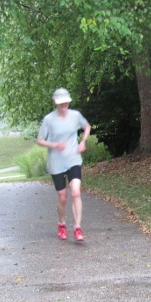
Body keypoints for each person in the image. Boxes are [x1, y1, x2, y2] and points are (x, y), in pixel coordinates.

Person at [36, 87, 91, 241]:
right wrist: (54, 145)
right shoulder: (49, 119)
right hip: (56, 162)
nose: (64, 104)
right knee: (63, 197)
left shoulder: (75, 115)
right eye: (60, 102)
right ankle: (61, 223)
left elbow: (87, 126)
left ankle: (78, 228)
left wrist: (83, 141)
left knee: (76, 192)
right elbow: (40, 140)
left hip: (73, 159)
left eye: (66, 101)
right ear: (55, 102)